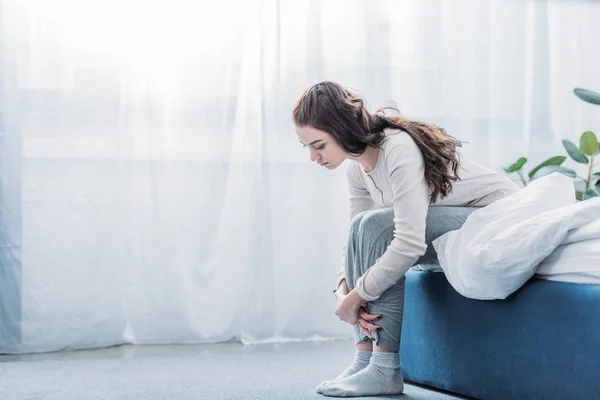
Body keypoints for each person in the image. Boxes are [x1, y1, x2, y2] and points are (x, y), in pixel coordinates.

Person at [292, 81, 519, 398]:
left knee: (378, 227)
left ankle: (384, 368)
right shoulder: (356, 168)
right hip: (453, 222)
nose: (314, 157)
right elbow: (355, 234)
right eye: (307, 148)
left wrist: (358, 296)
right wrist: (342, 287)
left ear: (341, 129)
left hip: (494, 216)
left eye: (319, 145)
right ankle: (364, 359)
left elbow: (408, 243)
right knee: (365, 225)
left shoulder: (396, 148)